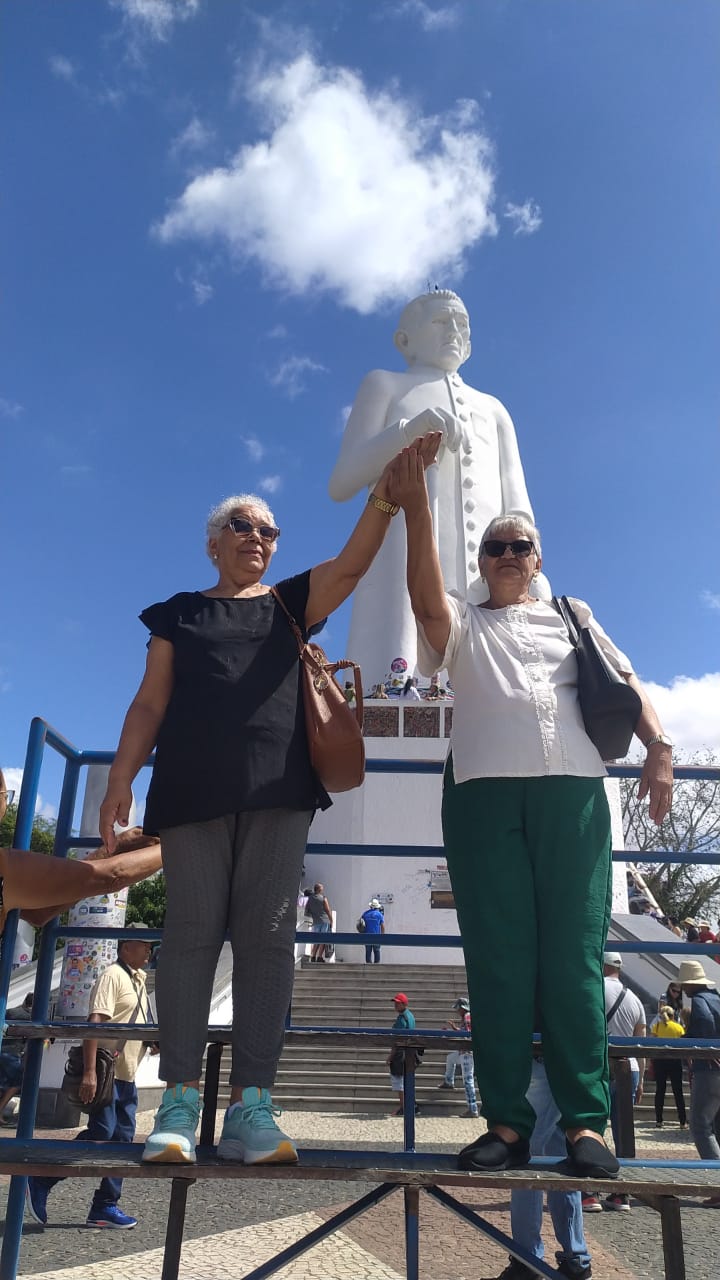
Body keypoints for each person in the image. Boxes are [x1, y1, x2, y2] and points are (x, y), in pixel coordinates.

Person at [98, 438, 440, 1168]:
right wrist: (120, 779)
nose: (260, 539)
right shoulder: (179, 615)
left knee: (268, 942)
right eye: (245, 528)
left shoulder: (289, 603)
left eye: (270, 531)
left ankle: (253, 1104)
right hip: (191, 793)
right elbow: (149, 702)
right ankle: (182, 1101)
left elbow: (351, 565)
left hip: (281, 793)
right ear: (215, 543)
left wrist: (387, 493)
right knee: (190, 936)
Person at [387, 440, 673, 1179]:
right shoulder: (462, 620)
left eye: (522, 546)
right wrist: (417, 507)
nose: (509, 555)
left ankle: (586, 1125)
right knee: (499, 960)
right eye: (495, 547)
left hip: (573, 792)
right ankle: (508, 1122)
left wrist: (661, 749)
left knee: (575, 960)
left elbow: (627, 685)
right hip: (483, 790)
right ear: (480, 562)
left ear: (539, 559)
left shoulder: (572, 615)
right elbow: (423, 599)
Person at [328, 289, 550, 689]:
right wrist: (408, 431)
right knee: (397, 667)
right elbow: (342, 480)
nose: (453, 330)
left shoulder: (494, 408)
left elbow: (517, 503)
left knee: (490, 686)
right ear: (404, 339)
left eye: (461, 323)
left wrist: (531, 568)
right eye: (440, 321)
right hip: (399, 560)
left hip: (488, 577)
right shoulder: (386, 384)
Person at [27, 927, 154, 1229]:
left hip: (126, 1076)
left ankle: (105, 1205)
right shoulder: (113, 975)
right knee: (102, 1133)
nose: (149, 951)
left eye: (150, 946)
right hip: (107, 1074)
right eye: (143, 946)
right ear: (126, 948)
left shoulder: (138, 980)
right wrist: (89, 1072)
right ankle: (43, 1179)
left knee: (122, 1140)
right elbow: (95, 1022)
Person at [0, 773, 163, 938]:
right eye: (6, 797)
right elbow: (113, 875)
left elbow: (38, 912)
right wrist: (174, 845)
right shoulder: (6, 867)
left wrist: (119, 846)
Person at [494, 1058, 592, 1280]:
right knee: (558, 1156)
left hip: (543, 1055)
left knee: (525, 1152)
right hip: (568, 1058)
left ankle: (527, 1258)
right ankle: (575, 1259)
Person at [678, 960, 720, 1169]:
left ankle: (716, 1181)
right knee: (716, 1125)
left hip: (709, 1067)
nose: (683, 988)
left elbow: (704, 1022)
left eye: (685, 983)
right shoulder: (716, 997)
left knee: (700, 1125)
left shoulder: (700, 1000)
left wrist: (693, 1041)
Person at [438, 997, 478, 1118]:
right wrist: (454, 1029)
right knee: (450, 1058)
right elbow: (465, 1031)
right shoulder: (467, 1017)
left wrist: (454, 1032)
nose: (457, 1011)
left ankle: (473, 1109)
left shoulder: (467, 1017)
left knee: (468, 1080)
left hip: (467, 1053)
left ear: (462, 1008)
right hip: (464, 1052)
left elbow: (467, 1034)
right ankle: (449, 1081)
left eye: (458, 1008)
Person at [649, 1005, 686, 1128]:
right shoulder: (678, 1027)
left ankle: (659, 1120)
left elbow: (652, 1044)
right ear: (673, 1015)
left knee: (660, 1090)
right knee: (678, 1091)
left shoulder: (656, 1027)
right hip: (675, 1061)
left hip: (660, 1061)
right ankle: (682, 1121)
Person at [386, 992, 419, 1117]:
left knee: (398, 1081)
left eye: (397, 1003)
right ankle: (413, 1105)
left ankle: (404, 1107)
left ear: (403, 1004)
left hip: (401, 1053)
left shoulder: (401, 1019)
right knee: (406, 1080)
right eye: (395, 1002)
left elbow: (398, 1039)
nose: (395, 1005)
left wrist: (391, 1055)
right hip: (410, 1051)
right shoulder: (410, 1015)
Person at [304, 882, 333, 963]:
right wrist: (331, 920)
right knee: (323, 939)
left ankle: (313, 956)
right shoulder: (323, 898)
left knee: (316, 939)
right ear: (320, 889)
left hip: (315, 921)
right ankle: (320, 957)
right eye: (322, 888)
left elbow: (307, 911)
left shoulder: (310, 898)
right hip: (325, 920)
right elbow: (327, 910)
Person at [359, 898, 385, 963]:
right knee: (377, 951)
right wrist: (383, 936)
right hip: (377, 937)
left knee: (368, 952)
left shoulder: (365, 914)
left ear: (370, 906)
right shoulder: (379, 915)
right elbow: (382, 927)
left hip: (367, 936)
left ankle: (368, 967)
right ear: (377, 907)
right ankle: (376, 968)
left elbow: (360, 924)